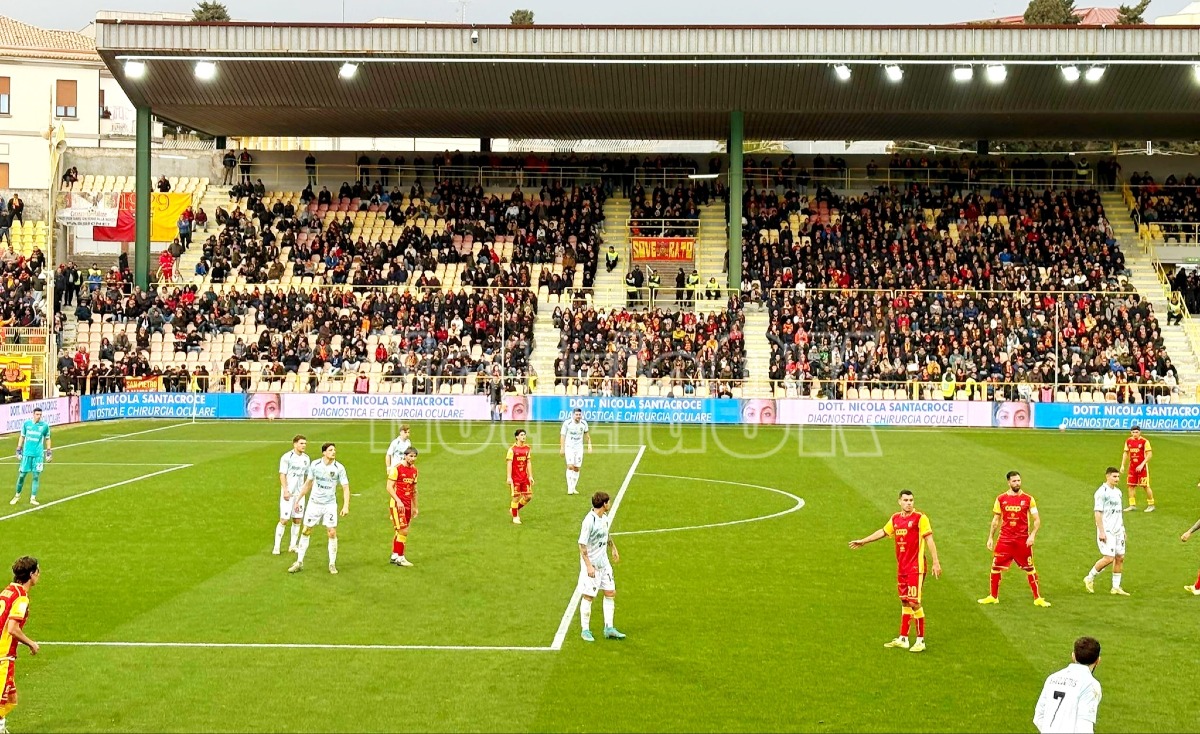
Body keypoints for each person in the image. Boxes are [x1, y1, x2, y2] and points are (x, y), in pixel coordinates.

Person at [849, 489, 942, 652]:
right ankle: (903, 638)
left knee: (914, 602)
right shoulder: (895, 519)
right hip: (902, 567)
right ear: (899, 502)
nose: (909, 503)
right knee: (905, 601)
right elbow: (883, 532)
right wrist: (864, 541)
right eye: (906, 500)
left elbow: (929, 539)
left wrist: (936, 562)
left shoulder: (920, 518)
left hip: (916, 567)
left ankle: (920, 641)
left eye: (911, 500)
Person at [979, 471, 1051, 607]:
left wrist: (1032, 535)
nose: (1017, 483)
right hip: (1005, 539)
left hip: (1022, 540)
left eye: (1019, 480)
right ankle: (993, 596)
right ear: (1008, 482)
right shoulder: (1000, 499)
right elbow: (995, 520)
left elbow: (1037, 520)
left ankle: (1038, 598)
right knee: (995, 567)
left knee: (1030, 568)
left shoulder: (1028, 499)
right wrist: (990, 538)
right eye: (1014, 481)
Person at [288, 442, 350, 575]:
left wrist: (345, 506)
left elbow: (345, 487)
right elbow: (308, 483)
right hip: (314, 503)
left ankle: (332, 564)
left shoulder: (339, 468)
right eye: (330, 450)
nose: (333, 452)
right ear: (324, 452)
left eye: (334, 450)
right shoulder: (315, 465)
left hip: (329, 505)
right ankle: (299, 562)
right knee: (306, 530)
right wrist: (298, 499)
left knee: (332, 532)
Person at [0, 556, 40, 734]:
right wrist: (31, 643)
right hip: (3, 656)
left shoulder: (7, 591)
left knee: (10, 699)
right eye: (37, 571)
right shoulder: (21, 598)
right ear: (31, 574)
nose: (39, 574)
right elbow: (12, 628)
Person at [578, 491, 624, 642]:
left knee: (610, 592)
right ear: (604, 504)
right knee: (589, 596)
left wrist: (613, 547)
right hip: (592, 565)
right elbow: (582, 545)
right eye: (608, 502)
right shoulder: (588, 521)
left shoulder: (604, 518)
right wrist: (588, 566)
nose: (609, 504)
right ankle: (585, 630)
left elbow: (605, 534)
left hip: (604, 563)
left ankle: (609, 628)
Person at [1032, 637, 1103, 734]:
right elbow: (1084, 726)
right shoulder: (1091, 685)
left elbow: (1039, 716)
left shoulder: (1052, 678)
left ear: (1073, 656)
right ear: (1098, 660)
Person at [1085, 467, 1130, 596]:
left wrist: (1122, 529)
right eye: (1114, 476)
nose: (1117, 479)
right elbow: (1097, 513)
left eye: (1118, 477)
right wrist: (1101, 531)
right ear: (1107, 476)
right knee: (1109, 558)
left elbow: (1119, 513)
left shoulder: (1118, 492)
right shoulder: (1101, 492)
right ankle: (1089, 577)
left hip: (1118, 530)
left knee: (1120, 557)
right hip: (1107, 530)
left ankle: (1115, 587)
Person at [274, 435, 310, 556]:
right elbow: (282, 474)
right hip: (288, 493)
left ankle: (293, 545)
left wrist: (304, 490)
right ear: (295, 444)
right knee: (284, 520)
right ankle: (277, 546)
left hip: (299, 494)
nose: (304, 445)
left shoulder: (306, 459)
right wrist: (285, 490)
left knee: (297, 519)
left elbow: (307, 476)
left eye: (305, 443)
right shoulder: (287, 457)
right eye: (301, 443)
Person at [10, 409, 50, 507]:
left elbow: (47, 438)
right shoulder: (26, 424)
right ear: (33, 414)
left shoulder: (44, 426)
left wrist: (49, 451)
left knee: (36, 476)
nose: (39, 416)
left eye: (40, 414)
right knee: (22, 476)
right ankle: (17, 495)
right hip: (27, 454)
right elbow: (22, 436)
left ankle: (33, 498)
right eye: (37, 414)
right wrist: (18, 448)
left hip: (38, 455)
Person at [386, 446, 418, 567]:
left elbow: (414, 490)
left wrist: (415, 507)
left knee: (400, 531)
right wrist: (398, 501)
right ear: (405, 456)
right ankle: (401, 557)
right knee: (403, 530)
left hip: (408, 504)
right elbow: (389, 487)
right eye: (410, 456)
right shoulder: (397, 469)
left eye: (414, 456)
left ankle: (395, 555)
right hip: (397, 504)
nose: (413, 458)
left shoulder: (414, 471)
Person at [1120, 425, 1154, 512]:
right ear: (1131, 432)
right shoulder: (1128, 441)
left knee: (1145, 486)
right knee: (1131, 486)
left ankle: (1151, 504)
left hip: (1142, 468)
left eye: (1136, 432)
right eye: (1133, 432)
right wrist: (1122, 465)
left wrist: (1142, 464)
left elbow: (1149, 454)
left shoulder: (1144, 441)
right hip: (1132, 467)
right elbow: (1125, 453)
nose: (1135, 434)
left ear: (1140, 432)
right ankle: (1132, 505)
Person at [560, 407, 592, 496]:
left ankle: (573, 487)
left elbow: (587, 435)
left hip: (579, 448)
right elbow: (562, 436)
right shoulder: (567, 423)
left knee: (577, 468)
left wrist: (589, 445)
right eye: (576, 414)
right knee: (570, 466)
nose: (578, 416)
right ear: (573, 415)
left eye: (579, 415)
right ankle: (569, 488)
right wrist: (562, 448)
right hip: (569, 447)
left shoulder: (584, 423)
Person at [507, 428, 534, 524]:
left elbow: (528, 462)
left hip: (524, 477)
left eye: (524, 435)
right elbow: (509, 463)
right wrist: (509, 477)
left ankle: (514, 509)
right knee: (516, 497)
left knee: (528, 496)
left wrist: (530, 476)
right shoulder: (512, 450)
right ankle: (515, 517)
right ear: (517, 437)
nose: (524, 437)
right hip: (515, 478)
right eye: (521, 435)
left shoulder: (527, 448)